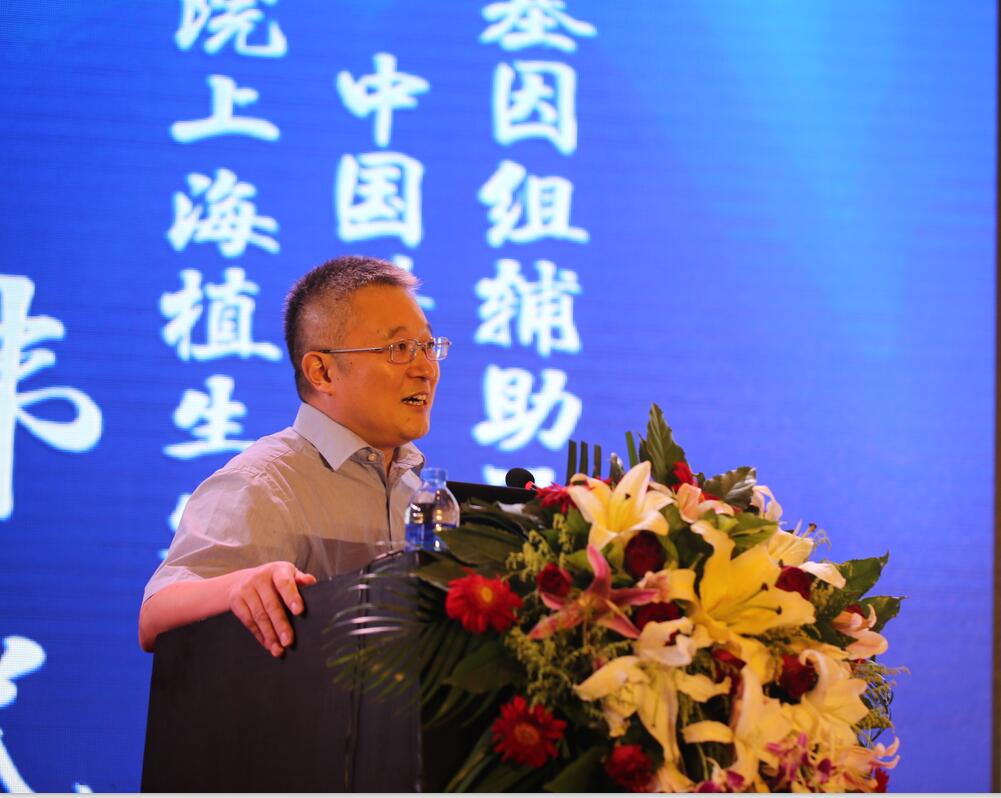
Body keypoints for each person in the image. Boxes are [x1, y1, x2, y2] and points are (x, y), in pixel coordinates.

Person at [138, 255, 449, 657]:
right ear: (322, 372)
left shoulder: (418, 489)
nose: (426, 369)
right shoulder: (263, 483)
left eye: (428, 346)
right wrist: (237, 586)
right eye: (400, 348)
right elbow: (155, 616)